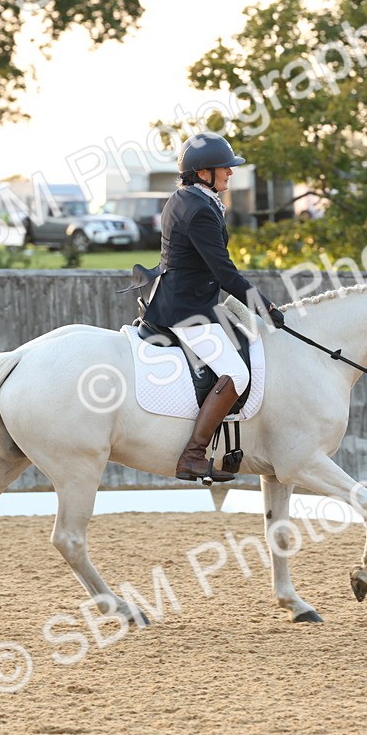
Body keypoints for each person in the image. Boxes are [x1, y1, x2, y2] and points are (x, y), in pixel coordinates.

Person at [143, 132, 285, 483]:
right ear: (204, 171)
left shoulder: (186, 198)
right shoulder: (199, 210)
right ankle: (193, 455)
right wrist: (263, 306)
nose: (231, 173)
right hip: (187, 310)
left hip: (183, 299)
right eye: (225, 167)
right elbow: (224, 273)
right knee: (238, 375)